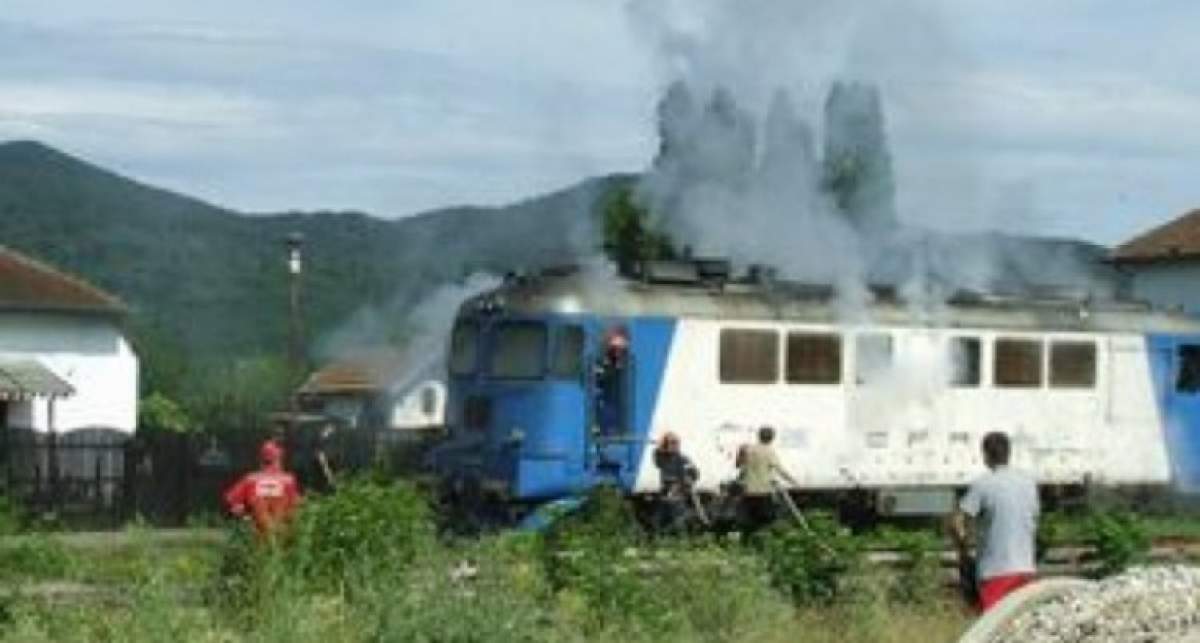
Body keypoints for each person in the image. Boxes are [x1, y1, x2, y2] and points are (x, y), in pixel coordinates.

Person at [951, 431, 1040, 612]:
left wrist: (963, 549)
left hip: (996, 571)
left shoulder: (983, 485)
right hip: (1026, 568)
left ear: (985, 455)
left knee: (994, 630)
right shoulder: (1028, 484)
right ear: (1009, 453)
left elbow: (957, 521)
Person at [223, 439, 302, 541]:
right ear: (279, 459)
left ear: (261, 459)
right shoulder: (288, 481)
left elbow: (230, 499)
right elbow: (297, 506)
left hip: (256, 536)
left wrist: (242, 513)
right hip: (283, 536)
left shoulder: (250, 480)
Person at [737, 426, 799, 532]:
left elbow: (738, 465)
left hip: (748, 491)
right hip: (764, 491)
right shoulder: (769, 452)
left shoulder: (747, 449)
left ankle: (748, 543)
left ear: (758, 436)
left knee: (749, 522)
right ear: (772, 438)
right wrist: (793, 481)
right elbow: (780, 470)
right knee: (765, 522)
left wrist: (741, 453)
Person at [652, 431, 700, 531]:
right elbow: (656, 456)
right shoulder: (663, 458)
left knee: (679, 523)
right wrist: (662, 444)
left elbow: (695, 473)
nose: (674, 445)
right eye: (671, 443)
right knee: (657, 524)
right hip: (665, 497)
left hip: (678, 497)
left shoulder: (683, 459)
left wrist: (681, 484)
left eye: (675, 443)